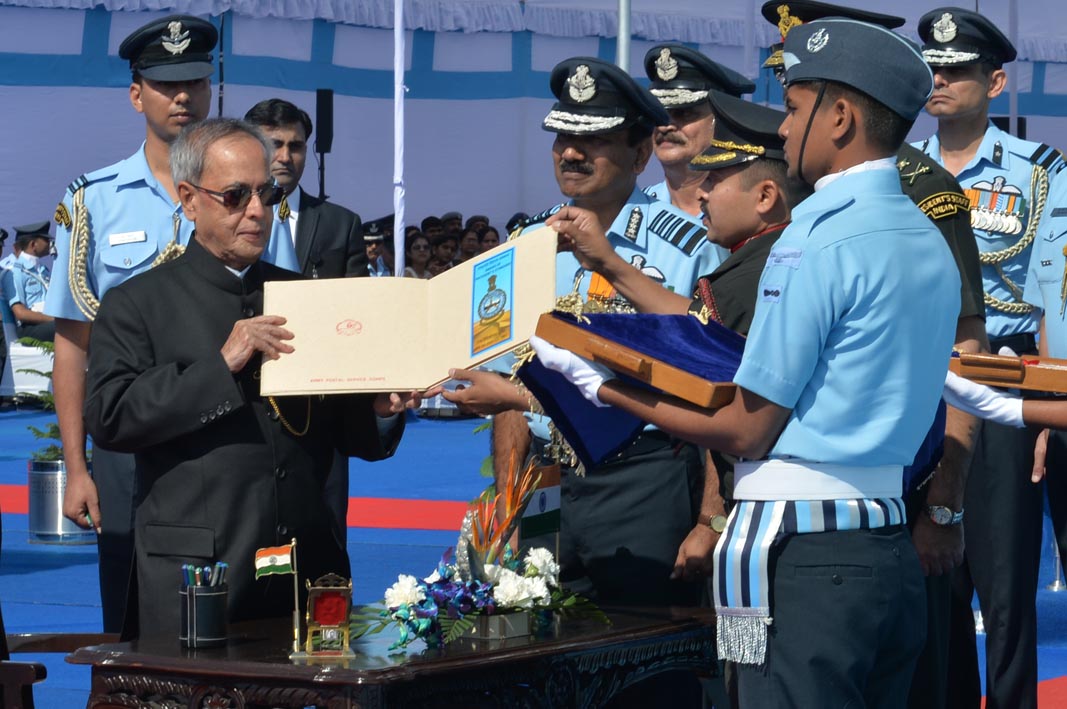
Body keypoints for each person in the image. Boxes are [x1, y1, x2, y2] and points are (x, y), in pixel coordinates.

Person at [532, 19, 959, 707]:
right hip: (884, 547)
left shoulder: (814, 239)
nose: (785, 130)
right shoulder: (924, 235)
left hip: (802, 553)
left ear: (840, 116)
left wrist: (602, 386)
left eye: (793, 108)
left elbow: (743, 428)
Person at [445, 57, 724, 705]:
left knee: (648, 667)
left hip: (648, 480)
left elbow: (714, 383)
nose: (570, 152)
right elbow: (507, 384)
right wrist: (506, 501)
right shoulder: (523, 245)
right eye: (562, 137)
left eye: (592, 138)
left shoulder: (686, 246)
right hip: (546, 484)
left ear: (637, 151)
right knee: (548, 667)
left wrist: (710, 514)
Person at [83, 118, 415, 639]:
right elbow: (110, 417)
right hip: (199, 573)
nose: (257, 211)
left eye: (267, 194)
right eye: (235, 196)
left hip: (304, 567)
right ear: (189, 200)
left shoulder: (304, 295)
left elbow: (338, 434)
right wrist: (222, 365)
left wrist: (377, 411)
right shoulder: (138, 303)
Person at [759, 5, 989, 704]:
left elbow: (965, 342)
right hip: (784, 497)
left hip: (894, 492)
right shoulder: (778, 183)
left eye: (799, 98)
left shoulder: (922, 193)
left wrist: (944, 500)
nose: (783, 118)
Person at [44, 14, 217, 633]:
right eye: (166, 84)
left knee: (224, 610)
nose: (182, 97)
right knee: (126, 608)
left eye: (194, 81)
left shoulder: (243, 195)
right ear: (136, 92)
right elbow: (72, 341)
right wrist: (77, 466)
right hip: (128, 436)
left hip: (220, 430)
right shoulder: (95, 199)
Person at [915, 9, 1067, 707]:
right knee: (927, 582)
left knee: (1003, 588)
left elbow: (1049, 303)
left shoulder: (1039, 172)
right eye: (931, 67)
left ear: (995, 81)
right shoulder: (894, 170)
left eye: (955, 69)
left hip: (999, 380)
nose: (937, 78)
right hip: (912, 382)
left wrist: (1047, 408)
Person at [244, 98, 366, 279]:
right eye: (275, 145)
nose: (285, 157)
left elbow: (357, 300)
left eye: (295, 147)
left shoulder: (342, 225)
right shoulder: (226, 213)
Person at [641, 44, 755, 216]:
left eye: (684, 113)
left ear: (722, 120)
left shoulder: (749, 210)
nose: (665, 126)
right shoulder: (636, 209)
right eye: (659, 114)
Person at [4, 222, 55, 341]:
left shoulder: (43, 270)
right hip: (29, 328)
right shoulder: (14, 272)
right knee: (67, 328)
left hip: (47, 323)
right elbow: (20, 313)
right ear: (33, 245)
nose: (50, 244)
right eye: (46, 240)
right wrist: (52, 319)